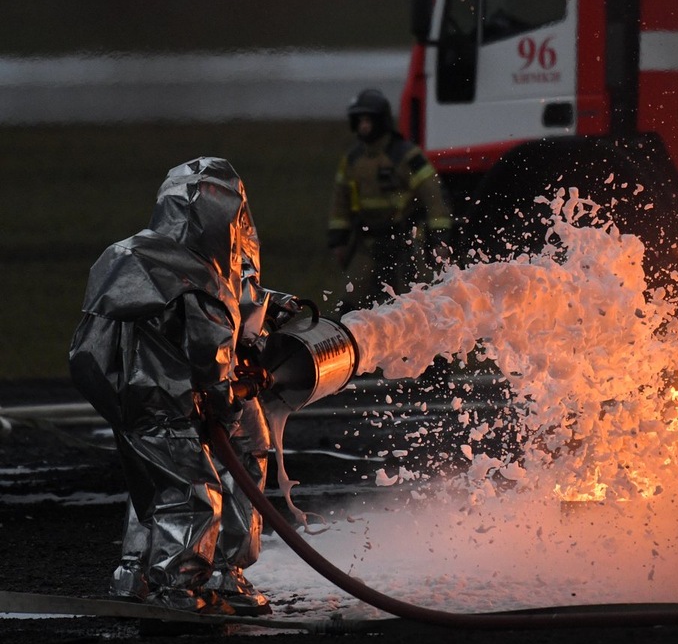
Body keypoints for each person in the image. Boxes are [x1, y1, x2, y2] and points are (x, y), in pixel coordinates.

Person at [68, 157, 299, 616]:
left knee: (156, 484)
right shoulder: (199, 278)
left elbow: (86, 347)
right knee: (194, 490)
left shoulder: (125, 256)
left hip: (127, 398)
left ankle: (137, 571)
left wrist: (268, 302)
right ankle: (187, 584)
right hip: (172, 400)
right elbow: (213, 351)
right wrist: (227, 401)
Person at [327, 88, 454, 310]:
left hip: (405, 241)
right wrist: (339, 239)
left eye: (368, 120)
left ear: (381, 121)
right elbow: (341, 200)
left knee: (414, 301)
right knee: (349, 303)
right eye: (360, 120)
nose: (364, 126)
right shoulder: (353, 160)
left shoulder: (405, 156)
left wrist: (439, 238)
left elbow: (433, 195)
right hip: (368, 242)